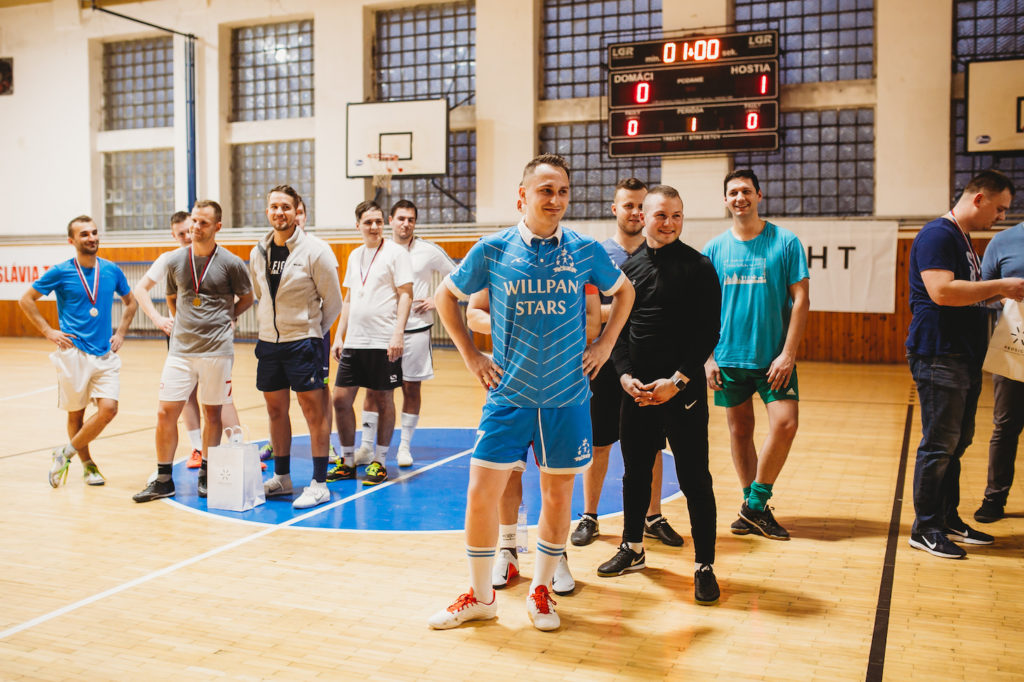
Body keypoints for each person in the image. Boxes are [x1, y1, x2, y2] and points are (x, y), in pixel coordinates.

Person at [428, 153, 634, 631]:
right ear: (523, 196)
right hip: (508, 394)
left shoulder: (584, 250)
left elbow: (624, 293)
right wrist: (471, 356)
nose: (555, 199)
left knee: (557, 496)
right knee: (481, 492)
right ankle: (480, 596)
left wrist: (605, 345)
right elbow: (445, 297)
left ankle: (541, 591)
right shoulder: (493, 249)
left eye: (562, 191)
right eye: (545, 190)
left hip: (567, 396)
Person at [595, 185, 722, 605]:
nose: (669, 223)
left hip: (681, 394)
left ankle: (704, 565)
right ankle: (632, 548)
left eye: (676, 216)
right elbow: (618, 332)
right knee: (635, 473)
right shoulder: (628, 269)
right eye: (661, 215)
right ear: (643, 217)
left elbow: (708, 332)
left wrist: (678, 381)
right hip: (638, 394)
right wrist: (624, 376)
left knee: (695, 479)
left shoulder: (699, 267)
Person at [905, 170, 1024, 558]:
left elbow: (967, 294)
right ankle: (925, 527)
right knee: (939, 445)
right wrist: (1002, 286)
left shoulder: (962, 237)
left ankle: (946, 518)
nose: (1001, 217)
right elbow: (941, 291)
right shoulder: (938, 234)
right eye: (999, 208)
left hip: (963, 354)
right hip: (939, 354)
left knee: (957, 443)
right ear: (979, 198)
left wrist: (997, 299)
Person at [570, 177, 683, 549]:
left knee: (651, 445)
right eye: (628, 205)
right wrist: (627, 310)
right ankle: (589, 515)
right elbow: (589, 315)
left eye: (640, 206)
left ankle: (653, 516)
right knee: (599, 442)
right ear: (614, 209)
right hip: (604, 361)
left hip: (649, 364)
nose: (635, 212)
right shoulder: (597, 255)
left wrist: (624, 311)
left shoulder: (664, 255)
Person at [464, 288, 597, 597]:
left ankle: (556, 555)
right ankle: (509, 549)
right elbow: (473, 315)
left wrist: (547, 325)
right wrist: (515, 325)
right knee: (508, 474)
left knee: (557, 484)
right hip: (510, 384)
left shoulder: (576, 264)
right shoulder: (500, 261)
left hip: (561, 388)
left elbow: (592, 323)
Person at [703, 169, 809, 541]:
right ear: (725, 200)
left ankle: (756, 503)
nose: (740, 198)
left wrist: (788, 354)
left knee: (786, 423)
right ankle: (753, 508)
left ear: (759, 195)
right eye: (733, 192)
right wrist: (708, 358)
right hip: (728, 357)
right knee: (740, 430)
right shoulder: (714, 249)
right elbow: (701, 310)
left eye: (746, 191)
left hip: (773, 358)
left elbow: (801, 300)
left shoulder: (785, 241)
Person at [133, 201, 254, 502]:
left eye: (203, 223)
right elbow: (166, 295)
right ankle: (163, 480)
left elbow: (247, 298)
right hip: (181, 351)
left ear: (217, 227)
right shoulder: (174, 260)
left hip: (216, 351)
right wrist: (173, 321)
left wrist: (226, 318)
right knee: (165, 412)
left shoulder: (231, 263)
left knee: (212, 412)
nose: (196, 228)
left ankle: (206, 474)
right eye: (194, 221)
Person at [19, 215, 137, 487]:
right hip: (73, 353)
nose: (92, 238)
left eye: (94, 232)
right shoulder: (60, 272)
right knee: (76, 414)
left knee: (109, 409)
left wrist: (120, 332)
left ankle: (65, 453)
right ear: (71, 240)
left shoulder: (111, 270)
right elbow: (26, 300)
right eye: (84, 234)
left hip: (104, 353)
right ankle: (88, 465)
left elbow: (131, 302)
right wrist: (48, 331)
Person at [251, 185, 343, 509]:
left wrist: (311, 332)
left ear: (296, 211)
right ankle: (282, 477)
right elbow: (261, 294)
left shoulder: (316, 251)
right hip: (269, 343)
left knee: (313, 412)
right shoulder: (258, 251)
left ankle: (319, 483)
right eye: (274, 206)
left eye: (286, 207)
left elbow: (334, 302)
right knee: (275, 411)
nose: (280, 212)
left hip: (303, 343)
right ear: (268, 211)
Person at [352, 199, 455, 468]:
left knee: (411, 387)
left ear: (415, 223)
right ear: (390, 220)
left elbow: (459, 277)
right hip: (382, 332)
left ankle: (405, 447)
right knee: (373, 390)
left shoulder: (428, 250)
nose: (405, 224)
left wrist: (436, 299)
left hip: (416, 329)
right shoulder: (379, 251)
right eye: (401, 218)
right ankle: (366, 447)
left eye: (411, 219)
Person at [328, 201, 413, 486]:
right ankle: (348, 461)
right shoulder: (354, 256)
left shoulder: (397, 253)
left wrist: (398, 333)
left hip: (383, 340)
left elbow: (406, 294)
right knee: (340, 400)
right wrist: (339, 335)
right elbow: (349, 299)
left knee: (383, 399)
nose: (374, 227)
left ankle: (380, 461)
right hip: (355, 341)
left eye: (378, 222)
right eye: (368, 222)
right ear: (358, 226)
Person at [975, 218, 1024, 523]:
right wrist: (1005, 299)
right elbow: (980, 293)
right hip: (1014, 350)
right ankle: (994, 499)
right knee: (1005, 426)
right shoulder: (1004, 241)